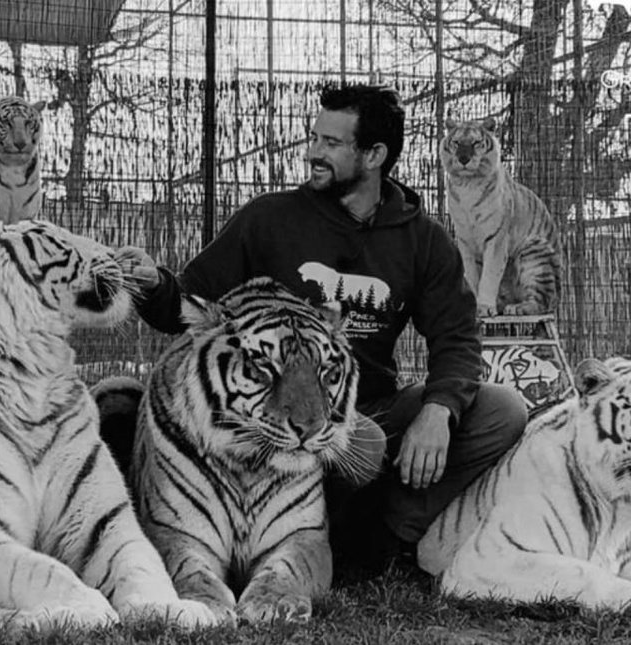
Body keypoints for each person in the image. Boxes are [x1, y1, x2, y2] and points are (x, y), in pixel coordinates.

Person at [115, 83, 527, 569]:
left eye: (331, 143)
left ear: (374, 155)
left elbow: (457, 338)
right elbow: (189, 305)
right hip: (281, 407)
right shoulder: (269, 219)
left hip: (364, 401)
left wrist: (439, 410)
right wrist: (152, 283)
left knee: (502, 410)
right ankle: (304, 536)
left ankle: (390, 535)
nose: (313, 152)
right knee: (364, 443)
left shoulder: (423, 239)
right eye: (314, 138)